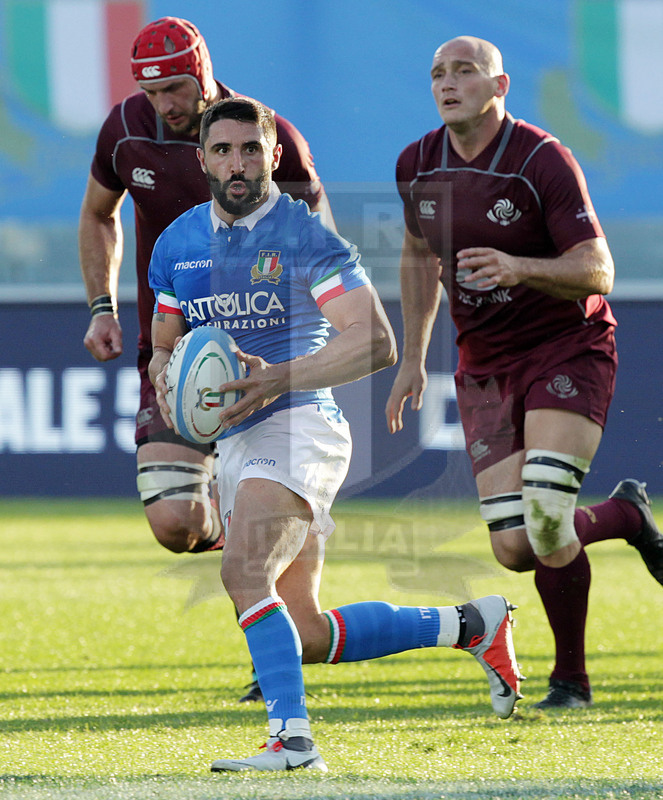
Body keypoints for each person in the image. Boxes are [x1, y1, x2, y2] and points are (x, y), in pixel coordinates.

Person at [148, 96, 522, 772]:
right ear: (202, 159)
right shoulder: (175, 244)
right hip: (236, 441)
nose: (237, 164)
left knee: (242, 570)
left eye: (251, 150)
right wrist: (166, 382)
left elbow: (374, 340)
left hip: (300, 424)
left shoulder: (304, 237)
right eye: (223, 151)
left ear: (274, 156)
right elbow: (165, 344)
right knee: (307, 633)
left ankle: (291, 742)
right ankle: (472, 625)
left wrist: (276, 379)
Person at [386, 36, 663, 710]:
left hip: (564, 347)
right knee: (514, 547)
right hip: (484, 365)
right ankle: (625, 514)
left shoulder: (541, 159)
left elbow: (597, 270)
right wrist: (412, 357)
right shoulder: (416, 164)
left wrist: (519, 268)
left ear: (499, 85)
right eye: (437, 73)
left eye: (464, 71)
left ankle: (570, 681)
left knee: (544, 517)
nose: (448, 83)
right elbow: (419, 256)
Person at [78, 16, 334, 702]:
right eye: (153, 91)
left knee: (289, 603)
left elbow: (320, 246)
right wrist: (102, 307)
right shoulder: (125, 131)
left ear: (205, 72)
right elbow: (98, 213)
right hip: (174, 350)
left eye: (177, 88)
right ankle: (262, 530)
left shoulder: (267, 138)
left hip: (263, 356)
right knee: (176, 524)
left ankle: (271, 647)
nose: (166, 103)